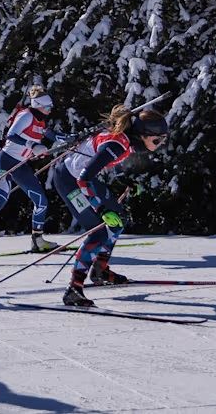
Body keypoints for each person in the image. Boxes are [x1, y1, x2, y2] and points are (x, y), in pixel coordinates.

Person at [52, 106, 168, 308]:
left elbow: (97, 165)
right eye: (157, 140)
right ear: (143, 135)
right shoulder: (117, 144)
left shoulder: (127, 141)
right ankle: (73, 289)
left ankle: (100, 270)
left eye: (164, 140)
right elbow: (84, 178)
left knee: (118, 220)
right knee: (97, 232)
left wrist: (121, 182)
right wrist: (101, 209)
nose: (160, 144)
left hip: (82, 178)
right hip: (69, 181)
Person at [0, 86, 59, 254]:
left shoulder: (41, 121)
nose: (50, 110)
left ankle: (37, 241)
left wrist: (68, 139)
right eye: (48, 107)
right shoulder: (26, 115)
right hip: (6, 161)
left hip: (21, 165)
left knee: (42, 201)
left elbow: (51, 135)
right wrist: (32, 145)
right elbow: (11, 135)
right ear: (38, 105)